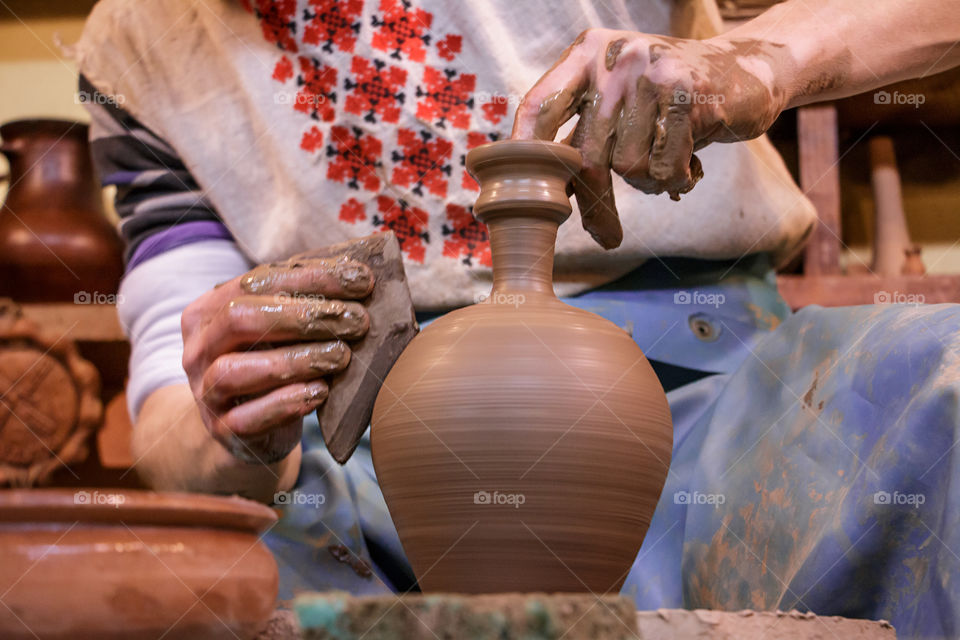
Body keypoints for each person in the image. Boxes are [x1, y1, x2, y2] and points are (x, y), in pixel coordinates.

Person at [74, 0, 960, 635]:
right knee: (183, 583)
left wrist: (765, 57)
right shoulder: (136, 40)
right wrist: (229, 416)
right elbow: (170, 417)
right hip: (368, 456)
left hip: (725, 402)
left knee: (937, 379)